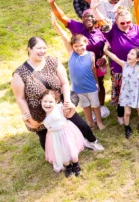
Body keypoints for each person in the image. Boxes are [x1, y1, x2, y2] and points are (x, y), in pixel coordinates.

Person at [11, 37, 104, 167]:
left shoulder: (52, 61)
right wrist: (28, 116)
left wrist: (67, 102)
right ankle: (56, 160)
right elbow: (20, 98)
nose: (42, 51)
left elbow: (65, 83)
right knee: (46, 138)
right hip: (39, 110)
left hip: (60, 104)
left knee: (80, 124)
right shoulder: (20, 73)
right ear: (29, 49)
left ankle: (92, 141)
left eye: (44, 48)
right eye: (39, 48)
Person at [46, 0, 109, 117]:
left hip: (96, 64)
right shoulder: (77, 27)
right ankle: (89, 109)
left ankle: (100, 105)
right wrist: (52, 3)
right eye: (86, 17)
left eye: (92, 17)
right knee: (85, 86)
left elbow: (107, 44)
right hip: (81, 64)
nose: (89, 19)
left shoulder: (100, 30)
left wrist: (104, 57)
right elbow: (62, 16)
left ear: (96, 18)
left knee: (99, 84)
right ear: (82, 19)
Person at [50, 14, 105, 130]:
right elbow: (64, 37)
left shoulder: (91, 54)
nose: (79, 48)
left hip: (91, 86)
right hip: (78, 88)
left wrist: (97, 83)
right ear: (72, 47)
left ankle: (99, 121)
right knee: (85, 106)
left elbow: (93, 69)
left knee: (95, 105)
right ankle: (90, 122)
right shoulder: (72, 54)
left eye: (81, 45)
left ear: (86, 44)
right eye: (76, 46)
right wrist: (55, 25)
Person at [104, 44, 139, 139]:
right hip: (126, 93)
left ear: (137, 59)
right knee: (127, 112)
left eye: (132, 54)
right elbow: (114, 57)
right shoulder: (124, 64)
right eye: (129, 53)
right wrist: (106, 50)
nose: (129, 55)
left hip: (136, 93)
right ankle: (127, 127)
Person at [38, 90, 86, 178]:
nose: (47, 104)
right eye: (45, 101)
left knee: (71, 148)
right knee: (61, 151)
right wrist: (25, 119)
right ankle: (68, 166)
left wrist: (72, 106)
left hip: (66, 132)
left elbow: (71, 113)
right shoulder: (41, 114)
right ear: (41, 101)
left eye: (50, 101)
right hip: (54, 136)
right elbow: (34, 125)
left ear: (56, 102)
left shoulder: (59, 108)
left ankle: (76, 164)